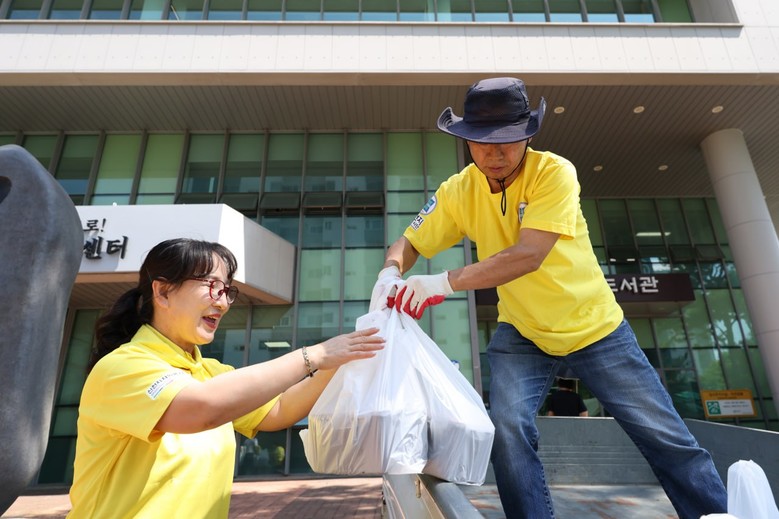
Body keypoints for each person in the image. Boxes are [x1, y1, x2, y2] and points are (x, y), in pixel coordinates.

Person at [372, 77, 727, 519]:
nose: (494, 154)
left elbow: (529, 255)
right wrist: (391, 271)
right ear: (466, 139)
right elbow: (410, 241)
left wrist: (440, 283)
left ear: (528, 135)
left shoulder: (554, 172)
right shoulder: (458, 191)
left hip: (595, 327)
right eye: (481, 142)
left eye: (506, 141)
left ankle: (716, 514)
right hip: (523, 330)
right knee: (506, 429)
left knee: (665, 436)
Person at [67, 238, 384, 519]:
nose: (222, 302)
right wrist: (313, 355)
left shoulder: (210, 372)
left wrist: (340, 360)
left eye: (226, 291)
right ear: (162, 292)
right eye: (211, 286)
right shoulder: (122, 366)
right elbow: (201, 408)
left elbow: (278, 410)